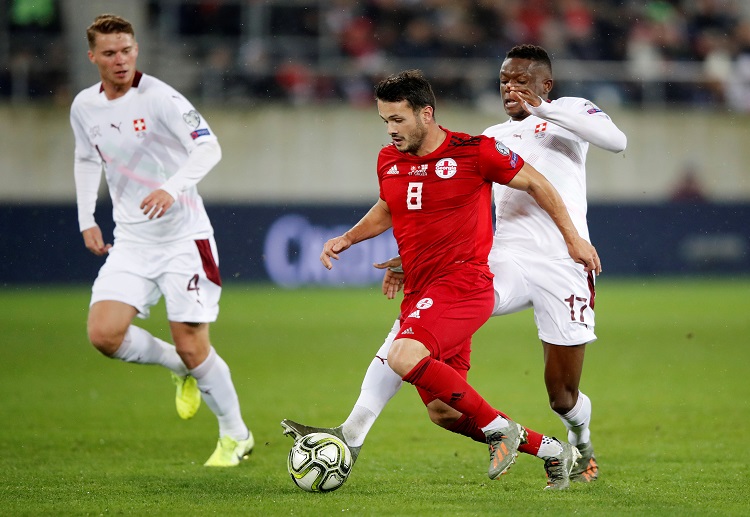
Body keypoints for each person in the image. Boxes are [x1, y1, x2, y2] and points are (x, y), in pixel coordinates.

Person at [282, 45, 626, 487]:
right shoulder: (492, 137)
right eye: (504, 80)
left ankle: (581, 444)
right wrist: (412, 255)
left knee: (562, 397)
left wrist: (544, 110)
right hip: (505, 259)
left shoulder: (570, 113)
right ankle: (353, 431)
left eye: (521, 80)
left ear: (546, 84)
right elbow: (439, 205)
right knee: (417, 329)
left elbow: (616, 142)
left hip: (564, 262)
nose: (510, 88)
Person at [70, 14, 253, 467]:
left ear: (136, 49)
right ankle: (180, 368)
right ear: (92, 57)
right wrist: (86, 218)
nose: (120, 60)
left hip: (183, 239)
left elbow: (209, 147)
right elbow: (86, 157)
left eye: (126, 50)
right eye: (110, 53)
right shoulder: (84, 106)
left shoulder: (161, 98)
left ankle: (236, 436)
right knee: (103, 335)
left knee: (193, 343)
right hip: (131, 241)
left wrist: (170, 188)